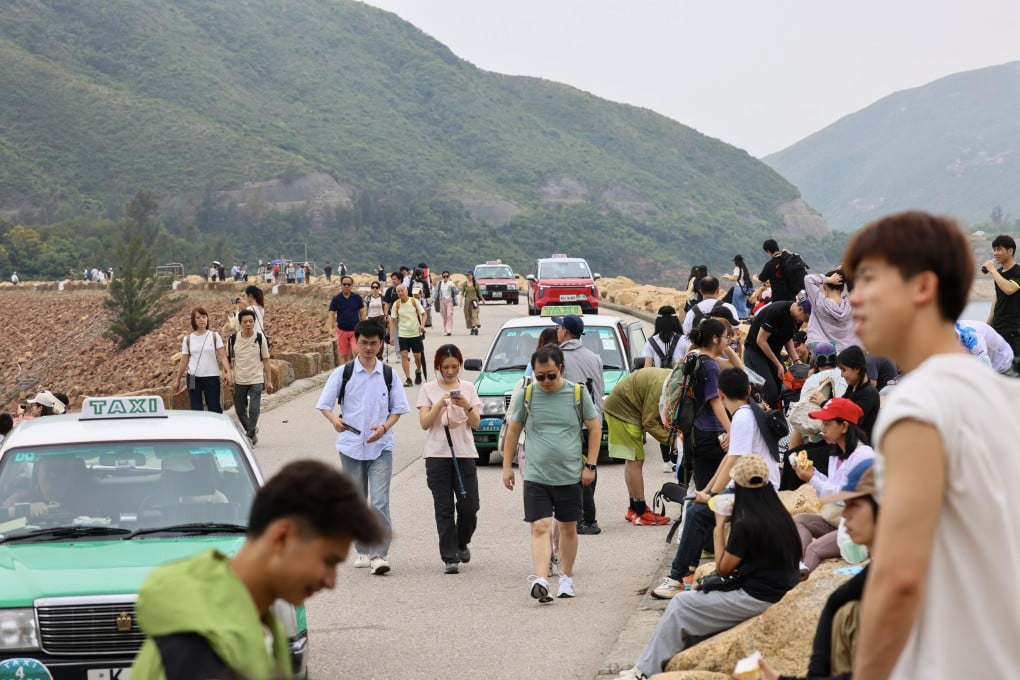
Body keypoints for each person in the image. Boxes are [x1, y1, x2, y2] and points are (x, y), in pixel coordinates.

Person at [839, 211, 1020, 679]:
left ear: (922, 287)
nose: (852, 297)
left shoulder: (917, 403)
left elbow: (898, 577)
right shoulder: (1007, 397)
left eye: (868, 280)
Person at [130, 460, 385, 679]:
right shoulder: (202, 650)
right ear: (282, 537)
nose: (331, 581)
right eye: (328, 561)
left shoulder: (252, 623)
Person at [618, 455, 800, 680]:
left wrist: (720, 523)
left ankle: (644, 672)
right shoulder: (777, 512)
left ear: (739, 486)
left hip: (758, 596)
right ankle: (665, 662)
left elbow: (723, 568)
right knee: (696, 597)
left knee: (680, 604)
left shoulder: (747, 523)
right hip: (778, 588)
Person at [652, 368, 778, 598]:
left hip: (760, 491)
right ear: (748, 390)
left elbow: (732, 463)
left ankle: (677, 577)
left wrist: (710, 496)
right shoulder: (750, 411)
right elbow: (729, 460)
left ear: (719, 394)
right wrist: (707, 490)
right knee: (695, 505)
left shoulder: (741, 417)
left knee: (698, 511)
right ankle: (688, 571)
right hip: (758, 486)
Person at [756, 459, 880, 680]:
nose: (846, 513)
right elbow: (834, 601)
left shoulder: (903, 579)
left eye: (855, 505)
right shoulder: (882, 566)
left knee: (849, 614)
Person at [501, 344, 601, 603]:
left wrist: (590, 465)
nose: (545, 381)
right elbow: (513, 430)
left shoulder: (577, 393)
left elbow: (594, 427)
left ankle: (566, 577)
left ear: (561, 369)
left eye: (550, 375)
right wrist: (507, 467)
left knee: (568, 528)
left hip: (569, 475)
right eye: (539, 376)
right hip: (536, 474)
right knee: (541, 526)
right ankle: (541, 578)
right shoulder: (528, 395)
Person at [316, 320, 410, 576]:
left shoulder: (389, 375)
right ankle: (361, 548)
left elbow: (398, 410)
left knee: (379, 501)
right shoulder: (343, 373)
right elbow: (325, 405)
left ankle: (379, 553)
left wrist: (384, 428)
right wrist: (336, 420)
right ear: (356, 342)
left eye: (374, 343)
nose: (368, 348)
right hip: (351, 447)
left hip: (381, 447)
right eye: (364, 343)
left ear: (381, 344)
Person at [791, 397, 875, 575]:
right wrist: (812, 473)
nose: (823, 429)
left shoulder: (864, 456)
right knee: (799, 520)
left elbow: (846, 496)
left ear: (844, 427)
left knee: (814, 548)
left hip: (858, 527)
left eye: (827, 424)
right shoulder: (837, 453)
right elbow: (831, 487)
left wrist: (812, 479)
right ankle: (798, 564)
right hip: (839, 521)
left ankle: (800, 574)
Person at [417, 345, 482, 574]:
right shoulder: (427, 388)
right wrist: (438, 405)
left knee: (470, 506)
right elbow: (425, 423)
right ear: (438, 367)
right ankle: (449, 557)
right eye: (446, 367)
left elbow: (476, 423)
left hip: (464, 454)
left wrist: (466, 405)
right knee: (443, 508)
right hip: (437, 455)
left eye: (455, 366)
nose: (451, 371)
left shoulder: (469, 388)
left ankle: (461, 541)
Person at [554, 314, 605, 535]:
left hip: (570, 423)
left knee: (574, 471)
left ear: (565, 331)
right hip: (592, 421)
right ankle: (586, 516)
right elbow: (599, 392)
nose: (557, 331)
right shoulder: (594, 357)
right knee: (589, 466)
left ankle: (585, 519)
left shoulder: (558, 357)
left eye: (559, 327)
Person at [605, 367, 673, 525]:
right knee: (636, 460)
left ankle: (633, 509)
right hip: (622, 411)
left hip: (620, 407)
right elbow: (649, 421)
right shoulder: (661, 386)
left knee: (632, 460)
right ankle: (641, 512)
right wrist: (672, 441)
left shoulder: (670, 378)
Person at [742, 298, 812, 408]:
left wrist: (796, 361)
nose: (804, 322)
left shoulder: (797, 318)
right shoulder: (776, 312)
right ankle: (764, 416)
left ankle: (779, 414)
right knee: (770, 391)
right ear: (800, 309)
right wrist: (778, 364)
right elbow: (761, 340)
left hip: (773, 350)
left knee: (784, 386)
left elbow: (787, 337)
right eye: (806, 319)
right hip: (755, 351)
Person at [643, 306, 684, 472]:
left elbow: (646, 368)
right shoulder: (683, 340)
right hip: (679, 385)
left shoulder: (651, 342)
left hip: (659, 385)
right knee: (678, 421)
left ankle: (666, 460)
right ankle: (677, 457)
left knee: (663, 421)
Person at [173, 307, 232, 412]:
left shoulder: (214, 336)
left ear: (207, 319)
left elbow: (222, 356)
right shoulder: (188, 339)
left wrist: (228, 372)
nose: (201, 319)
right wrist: (177, 380)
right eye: (198, 317)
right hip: (192, 377)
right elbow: (184, 361)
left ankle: (215, 428)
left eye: (204, 317)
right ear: (193, 320)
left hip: (211, 377)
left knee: (214, 407)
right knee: (196, 408)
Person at [230, 309, 273, 446]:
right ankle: (253, 430)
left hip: (256, 378)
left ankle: (248, 436)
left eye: (251, 321)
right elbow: (229, 360)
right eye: (245, 322)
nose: (248, 324)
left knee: (254, 409)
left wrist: (269, 381)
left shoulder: (260, 338)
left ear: (254, 323)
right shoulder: (233, 339)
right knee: (239, 410)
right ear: (240, 323)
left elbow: (266, 360)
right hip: (240, 379)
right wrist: (228, 374)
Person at [3, 455, 92, 520]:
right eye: (48, 468)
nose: (53, 476)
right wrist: (25, 510)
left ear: (73, 475)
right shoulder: (19, 500)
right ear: (38, 471)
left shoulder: (84, 502)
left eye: (61, 470)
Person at [803, 268, 860, 350]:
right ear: (842, 288)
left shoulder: (820, 302)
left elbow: (808, 279)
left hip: (821, 349)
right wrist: (843, 274)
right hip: (846, 350)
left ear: (825, 287)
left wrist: (828, 279)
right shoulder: (851, 305)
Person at [984, 234, 1020, 355]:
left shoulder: (1018, 272)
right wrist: (987, 325)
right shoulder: (998, 274)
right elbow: (997, 299)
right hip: (997, 328)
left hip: (1013, 331)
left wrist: (993, 270)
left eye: (999, 249)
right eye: (994, 250)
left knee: (1013, 369)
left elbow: (1009, 289)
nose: (995, 253)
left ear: (1010, 251)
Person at [389, 284, 428, 386]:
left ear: (406, 291)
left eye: (402, 291)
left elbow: (423, 314)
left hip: (415, 333)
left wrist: (422, 325)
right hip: (403, 334)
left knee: (417, 357)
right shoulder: (396, 304)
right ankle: (408, 378)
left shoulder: (414, 301)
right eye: (398, 291)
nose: (400, 293)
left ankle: (418, 370)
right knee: (404, 355)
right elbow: (392, 320)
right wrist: (392, 336)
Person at [327, 275, 366, 365]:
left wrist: (365, 327)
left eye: (349, 284)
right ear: (341, 285)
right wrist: (330, 328)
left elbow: (362, 313)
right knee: (344, 355)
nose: (347, 286)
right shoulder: (336, 299)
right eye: (344, 284)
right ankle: (346, 374)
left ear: (352, 285)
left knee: (356, 351)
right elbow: (331, 314)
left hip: (355, 330)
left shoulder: (357, 298)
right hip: (342, 331)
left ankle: (356, 369)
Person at [722, 255, 754, 319]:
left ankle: (738, 317)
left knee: (736, 304)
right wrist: (729, 275)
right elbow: (739, 278)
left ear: (736, 261)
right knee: (742, 303)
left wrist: (727, 276)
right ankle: (745, 316)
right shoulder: (743, 268)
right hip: (743, 288)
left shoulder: (737, 268)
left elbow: (735, 279)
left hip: (738, 288)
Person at [433, 270, 460, 336]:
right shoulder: (439, 283)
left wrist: (453, 287)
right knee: (444, 316)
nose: (445, 278)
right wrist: (432, 299)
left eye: (447, 276)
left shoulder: (451, 283)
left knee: (449, 315)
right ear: (442, 277)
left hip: (449, 300)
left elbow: (457, 292)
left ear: (449, 276)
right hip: (442, 300)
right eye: (444, 276)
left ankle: (449, 330)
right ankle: (445, 329)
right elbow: (436, 292)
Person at [461, 270, 482, 335]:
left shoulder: (476, 284)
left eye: (469, 275)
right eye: (467, 275)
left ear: (472, 276)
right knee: (468, 315)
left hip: (474, 301)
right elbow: (462, 293)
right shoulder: (464, 284)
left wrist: (483, 299)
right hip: (467, 301)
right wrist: (461, 301)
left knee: (474, 314)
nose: (467, 276)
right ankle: (472, 327)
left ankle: (476, 327)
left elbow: (479, 293)